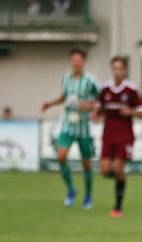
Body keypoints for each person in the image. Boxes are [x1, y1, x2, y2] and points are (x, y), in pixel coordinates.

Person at [41, 47, 100, 210]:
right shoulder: (66, 78)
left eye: (79, 60)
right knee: (61, 157)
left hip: (83, 127)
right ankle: (71, 190)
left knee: (86, 164)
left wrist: (90, 108)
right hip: (67, 125)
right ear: (70, 61)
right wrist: (50, 104)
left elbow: (99, 101)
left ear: (84, 62)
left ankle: (88, 196)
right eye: (73, 60)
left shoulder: (90, 81)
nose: (76, 63)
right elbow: (64, 97)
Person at [94, 56, 142, 218]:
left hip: (125, 133)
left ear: (125, 70)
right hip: (108, 132)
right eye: (115, 68)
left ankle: (117, 207)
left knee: (117, 168)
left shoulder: (131, 89)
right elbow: (98, 105)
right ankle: (121, 178)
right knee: (104, 171)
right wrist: (95, 113)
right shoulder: (105, 88)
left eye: (120, 69)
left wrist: (130, 112)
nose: (117, 72)